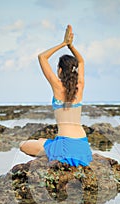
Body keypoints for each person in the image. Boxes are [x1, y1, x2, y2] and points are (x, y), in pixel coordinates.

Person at [20, 24, 92, 167]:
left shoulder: (57, 86)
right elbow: (82, 61)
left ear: (60, 70)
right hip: (83, 145)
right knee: (41, 140)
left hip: (66, 146)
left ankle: (53, 155)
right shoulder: (80, 85)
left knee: (23, 145)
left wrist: (64, 43)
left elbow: (42, 57)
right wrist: (71, 46)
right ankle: (52, 148)